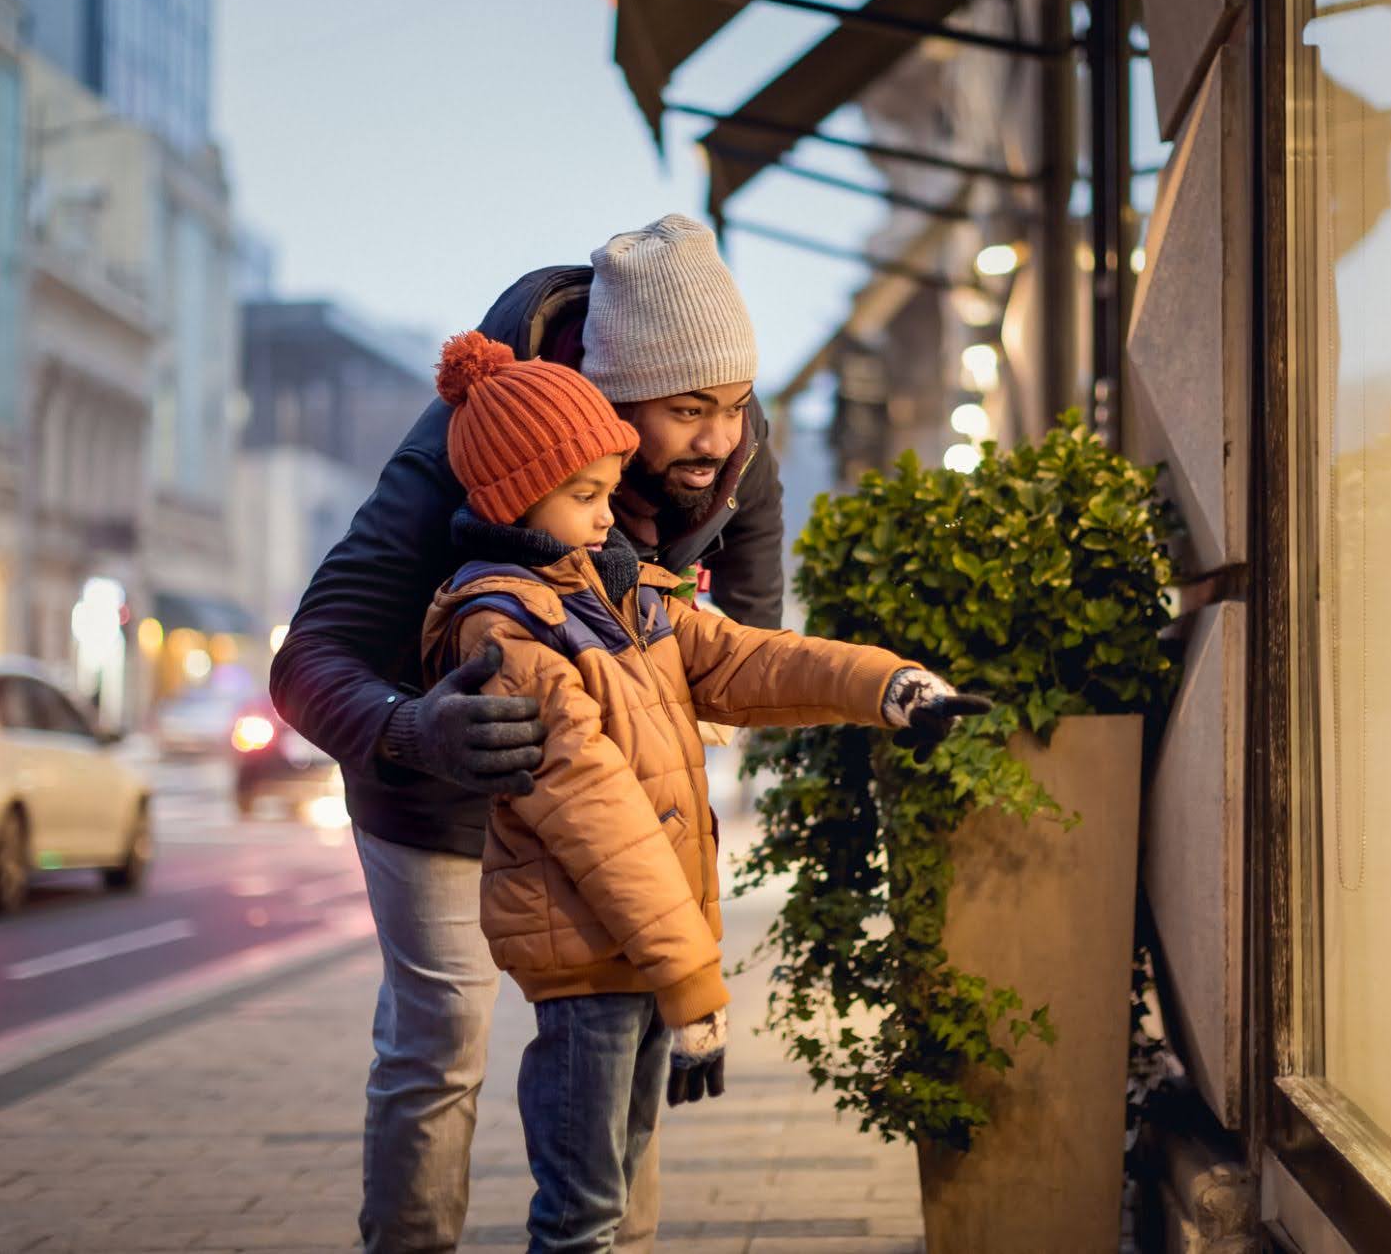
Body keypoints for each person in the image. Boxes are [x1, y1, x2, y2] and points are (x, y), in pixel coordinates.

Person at [271, 215, 790, 1252]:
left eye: (733, 409)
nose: (720, 439)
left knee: (632, 1029)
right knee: (441, 1043)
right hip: (439, 777)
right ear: (605, 396)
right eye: (689, 412)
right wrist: (413, 728)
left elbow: (750, 603)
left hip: (604, 794)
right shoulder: (459, 457)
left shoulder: (728, 438)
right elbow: (306, 661)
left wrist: (705, 692)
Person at [418, 332, 988, 1252]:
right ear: (519, 496)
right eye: (587, 495)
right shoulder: (511, 630)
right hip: (589, 963)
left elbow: (755, 659)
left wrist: (888, 685)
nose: (611, 515)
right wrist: (691, 983)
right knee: (580, 1217)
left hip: (637, 951)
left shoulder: (623, 595)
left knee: (606, 1199)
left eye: (611, 489)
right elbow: (598, 816)